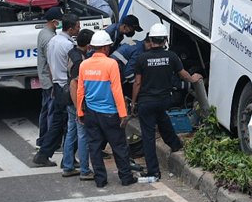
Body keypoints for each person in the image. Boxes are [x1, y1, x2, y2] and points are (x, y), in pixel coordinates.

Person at [131, 23, 202, 180]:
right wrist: (194, 78)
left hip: (146, 102)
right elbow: (184, 75)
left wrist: (133, 102)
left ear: (151, 39)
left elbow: (137, 83)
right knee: (163, 119)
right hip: (164, 100)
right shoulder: (171, 56)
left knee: (148, 136)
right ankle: (175, 144)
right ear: (165, 40)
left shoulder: (142, 58)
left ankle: (153, 170)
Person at [76, 30, 137, 188]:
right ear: (104, 48)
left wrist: (80, 112)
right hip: (110, 113)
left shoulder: (84, 65)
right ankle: (125, 177)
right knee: (119, 146)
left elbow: (80, 90)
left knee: (94, 147)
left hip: (90, 112)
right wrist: (123, 113)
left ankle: (100, 179)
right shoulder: (111, 64)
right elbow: (117, 90)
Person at [33, 13, 81, 167]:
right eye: (78, 27)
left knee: (57, 123)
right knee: (71, 124)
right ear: (71, 28)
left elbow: (49, 65)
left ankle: (44, 153)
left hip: (57, 86)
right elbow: (70, 70)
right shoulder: (68, 46)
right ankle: (68, 159)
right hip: (66, 87)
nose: (79, 29)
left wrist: (53, 84)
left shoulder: (53, 41)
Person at [61, 28, 94, 180]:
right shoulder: (80, 61)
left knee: (71, 133)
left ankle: (68, 166)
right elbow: (75, 84)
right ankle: (85, 170)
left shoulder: (72, 52)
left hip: (68, 97)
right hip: (76, 100)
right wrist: (80, 108)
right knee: (82, 135)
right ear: (88, 45)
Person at [35, 6, 61, 148]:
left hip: (44, 79)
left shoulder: (43, 33)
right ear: (54, 21)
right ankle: (50, 143)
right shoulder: (50, 38)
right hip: (49, 81)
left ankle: (43, 139)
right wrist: (54, 84)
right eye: (59, 21)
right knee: (52, 112)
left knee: (45, 111)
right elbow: (51, 64)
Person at [111, 32, 151, 97]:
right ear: (150, 44)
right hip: (115, 75)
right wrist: (138, 85)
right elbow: (128, 73)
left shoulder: (137, 43)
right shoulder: (139, 51)